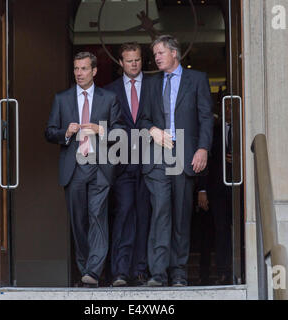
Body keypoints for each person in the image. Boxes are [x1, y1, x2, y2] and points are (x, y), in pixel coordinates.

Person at [139, 35, 214, 287]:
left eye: (160, 52)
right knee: (160, 211)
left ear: (174, 53)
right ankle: (157, 273)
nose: (156, 57)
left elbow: (205, 117)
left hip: (185, 154)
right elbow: (142, 120)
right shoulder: (150, 84)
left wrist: (203, 148)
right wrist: (153, 131)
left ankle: (179, 272)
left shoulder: (197, 80)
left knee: (181, 215)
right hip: (158, 156)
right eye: (155, 53)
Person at [45, 52, 123, 288]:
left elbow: (120, 132)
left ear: (94, 71)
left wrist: (100, 130)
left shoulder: (109, 98)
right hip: (74, 167)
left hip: (100, 166)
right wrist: (65, 133)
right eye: (76, 69)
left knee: (97, 217)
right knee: (79, 222)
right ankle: (85, 269)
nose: (79, 73)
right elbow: (49, 132)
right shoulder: (62, 98)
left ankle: (93, 271)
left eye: (84, 69)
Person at [105, 43, 152, 287]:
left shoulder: (154, 86)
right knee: (124, 212)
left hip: (149, 161)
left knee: (145, 215)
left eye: (137, 60)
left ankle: (140, 270)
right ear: (120, 63)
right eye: (129, 60)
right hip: (122, 164)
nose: (134, 64)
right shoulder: (109, 91)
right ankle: (120, 271)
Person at [197, 97, 234, 285]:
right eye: (226, 106)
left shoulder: (245, 128)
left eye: (232, 106)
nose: (229, 110)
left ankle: (240, 269)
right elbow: (206, 160)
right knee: (221, 229)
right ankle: (222, 271)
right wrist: (202, 189)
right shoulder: (214, 130)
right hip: (217, 188)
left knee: (239, 230)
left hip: (241, 188)